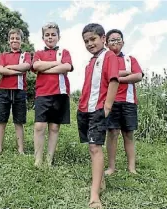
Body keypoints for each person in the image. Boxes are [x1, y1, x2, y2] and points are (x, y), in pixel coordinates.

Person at [77, 23, 119, 208]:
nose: (89, 43)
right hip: (85, 109)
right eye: (86, 41)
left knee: (95, 148)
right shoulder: (92, 61)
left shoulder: (108, 56)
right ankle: (99, 182)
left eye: (93, 39)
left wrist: (107, 106)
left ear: (103, 39)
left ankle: (94, 196)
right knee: (93, 147)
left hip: (98, 109)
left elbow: (114, 80)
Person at [32, 22, 73, 167]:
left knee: (54, 127)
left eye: (53, 35)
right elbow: (36, 66)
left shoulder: (64, 52)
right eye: (47, 35)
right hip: (42, 93)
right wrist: (57, 64)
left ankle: (49, 160)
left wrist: (45, 68)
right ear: (43, 38)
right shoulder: (38, 53)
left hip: (60, 93)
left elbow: (67, 66)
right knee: (39, 126)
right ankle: (38, 159)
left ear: (58, 37)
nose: (50, 37)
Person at [104, 29, 143, 175]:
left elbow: (138, 75)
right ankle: (111, 167)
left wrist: (117, 78)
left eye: (118, 39)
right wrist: (126, 73)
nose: (115, 42)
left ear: (123, 42)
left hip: (128, 102)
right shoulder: (105, 60)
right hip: (110, 102)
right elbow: (105, 75)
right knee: (112, 133)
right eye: (112, 40)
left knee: (129, 134)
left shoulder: (130, 59)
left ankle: (132, 168)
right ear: (106, 43)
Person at [0, 28, 31, 156]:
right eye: (12, 38)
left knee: (19, 121)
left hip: (19, 91)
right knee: (1, 120)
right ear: (8, 40)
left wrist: (8, 68)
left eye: (17, 38)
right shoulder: (3, 55)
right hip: (4, 90)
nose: (14, 40)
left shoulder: (25, 55)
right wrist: (17, 71)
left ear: (21, 41)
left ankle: (21, 150)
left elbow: (26, 66)